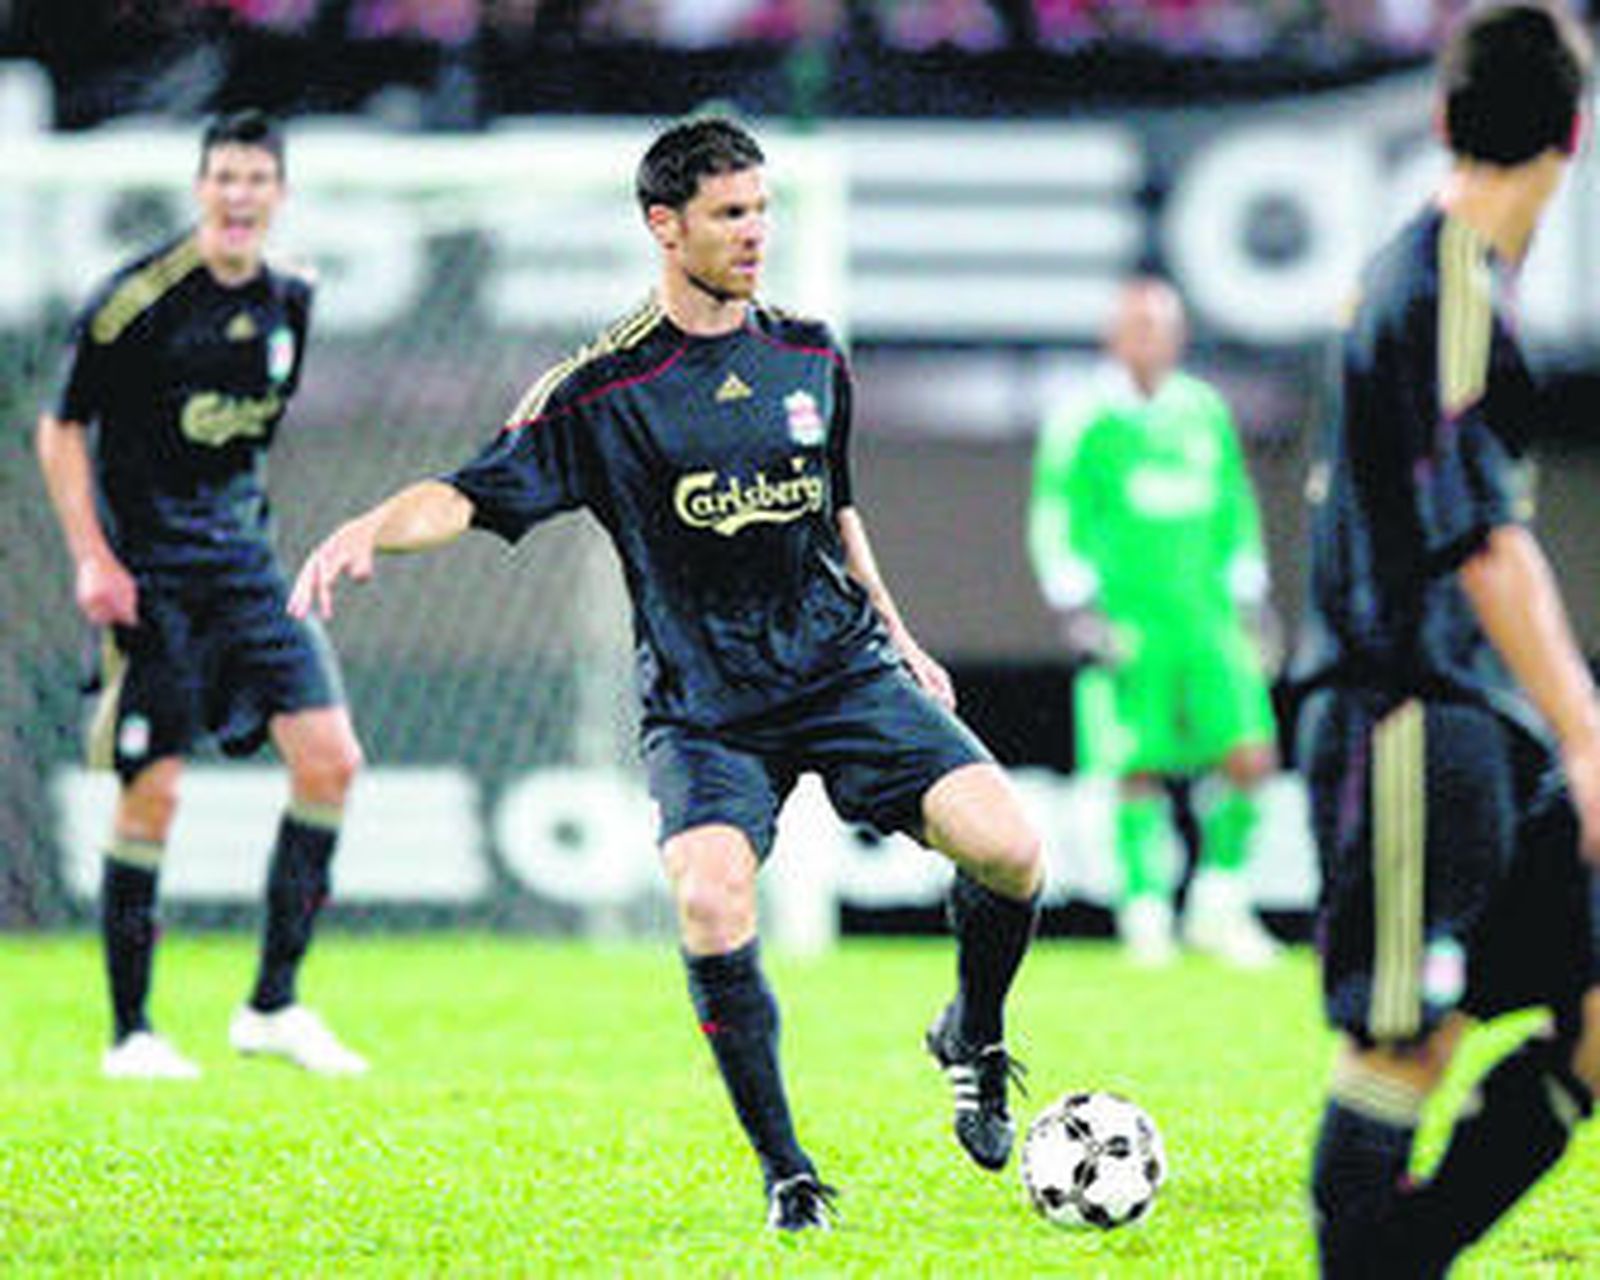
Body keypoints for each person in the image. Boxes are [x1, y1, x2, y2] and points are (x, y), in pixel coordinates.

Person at [289, 116, 1044, 1231]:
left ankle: (971, 1032)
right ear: (664, 225)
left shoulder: (809, 352)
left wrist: (902, 631)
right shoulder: (601, 388)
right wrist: (369, 523)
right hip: (707, 708)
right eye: (731, 213)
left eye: (762, 209)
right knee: (708, 893)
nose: (755, 233)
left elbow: (836, 509)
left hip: (841, 669)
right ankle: (789, 1172)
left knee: (1013, 849)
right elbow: (467, 491)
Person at [1291, 5, 1600, 1274]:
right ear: (1572, 138)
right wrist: (1588, 737)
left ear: (1439, 119)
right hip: (1408, 714)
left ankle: (1402, 1255)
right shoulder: (1449, 286)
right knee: (1403, 1042)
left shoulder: (1422, 276)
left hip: (1470, 723)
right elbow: (1483, 540)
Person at [35, 109, 368, 1080]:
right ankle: (131, 1031)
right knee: (155, 793)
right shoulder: (134, 301)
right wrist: (94, 557)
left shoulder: (292, 298)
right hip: (154, 584)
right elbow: (61, 429)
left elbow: (249, 444)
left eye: (255, 180)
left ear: (278, 194)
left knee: (331, 759)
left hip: (248, 574)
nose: (237, 196)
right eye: (222, 178)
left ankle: (272, 1004)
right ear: (199, 188)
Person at [1028, 276, 1281, 967]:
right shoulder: (1085, 421)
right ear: (1115, 335)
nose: (1151, 339)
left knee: (1249, 752)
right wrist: (1076, 606)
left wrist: (1252, 597)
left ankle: (1219, 901)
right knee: (1131, 766)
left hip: (1208, 617)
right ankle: (1145, 911)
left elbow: (1235, 507)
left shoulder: (1202, 411)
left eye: (1163, 327)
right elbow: (1057, 515)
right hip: (1130, 621)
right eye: (1138, 326)